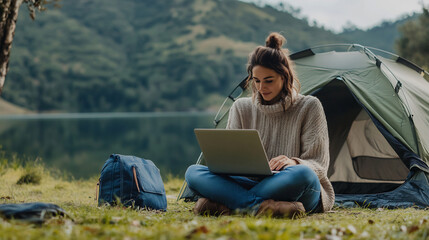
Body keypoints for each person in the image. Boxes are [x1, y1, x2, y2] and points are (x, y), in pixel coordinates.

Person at [185, 32, 334, 217]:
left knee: (303, 174)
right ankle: (260, 207)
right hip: (247, 182)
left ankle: (231, 206)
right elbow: (229, 160)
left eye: (268, 81)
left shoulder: (309, 106)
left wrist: (293, 162)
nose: (261, 87)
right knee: (193, 173)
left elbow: (318, 164)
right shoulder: (241, 107)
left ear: (284, 76)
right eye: (256, 81)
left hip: (290, 183)